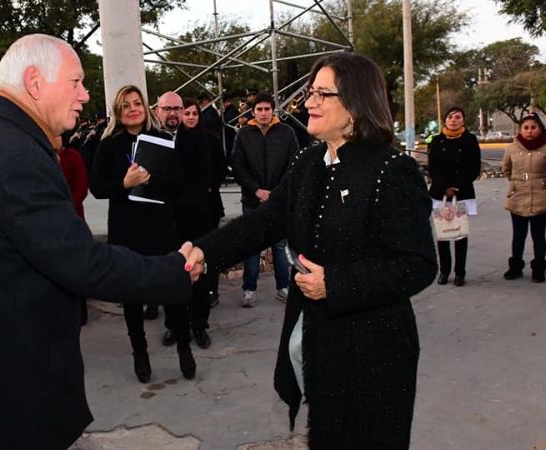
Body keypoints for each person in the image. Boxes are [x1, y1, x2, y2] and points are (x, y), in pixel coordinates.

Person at [0, 35, 195, 450]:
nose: (85, 94)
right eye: (76, 81)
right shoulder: (12, 155)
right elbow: (82, 263)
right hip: (8, 394)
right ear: (35, 81)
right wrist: (176, 268)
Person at [183, 52, 437, 449]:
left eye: (322, 93)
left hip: (375, 353)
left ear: (354, 103)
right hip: (320, 342)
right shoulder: (308, 162)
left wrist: (336, 283)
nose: (308, 103)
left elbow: (418, 265)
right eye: (309, 92)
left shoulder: (393, 170)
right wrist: (205, 252)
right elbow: (266, 222)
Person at [90, 85, 196, 384]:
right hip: (127, 228)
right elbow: (97, 188)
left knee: (173, 287)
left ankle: (184, 347)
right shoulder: (109, 144)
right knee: (132, 294)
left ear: (146, 107)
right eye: (126, 105)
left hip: (160, 225)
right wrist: (124, 182)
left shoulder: (162, 139)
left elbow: (178, 186)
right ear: (118, 112)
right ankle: (140, 354)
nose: (133, 109)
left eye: (137, 103)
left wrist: (150, 180)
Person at [155, 92, 214, 349]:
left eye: (177, 108)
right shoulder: (150, 140)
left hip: (193, 219)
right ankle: (174, 326)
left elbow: (205, 178)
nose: (173, 113)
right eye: (167, 108)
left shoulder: (198, 141)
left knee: (197, 276)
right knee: (170, 274)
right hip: (163, 221)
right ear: (157, 110)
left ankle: (199, 325)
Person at [230, 92, 299, 307]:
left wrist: (276, 193)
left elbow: (293, 164)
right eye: (259, 109)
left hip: (278, 201)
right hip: (252, 200)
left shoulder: (287, 133)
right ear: (253, 112)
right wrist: (256, 190)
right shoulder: (243, 134)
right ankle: (249, 290)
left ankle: (283, 288)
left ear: (273, 111)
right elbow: (237, 165)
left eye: (267, 109)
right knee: (252, 245)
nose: (263, 113)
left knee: (279, 245)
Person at [427, 106, 482, 287]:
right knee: (443, 234)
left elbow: (474, 167)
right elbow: (432, 167)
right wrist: (444, 187)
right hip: (440, 193)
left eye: (458, 117)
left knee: (460, 234)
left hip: (462, 191)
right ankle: (444, 271)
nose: (454, 120)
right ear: (445, 120)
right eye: (450, 117)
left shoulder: (470, 140)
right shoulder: (436, 140)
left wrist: (457, 186)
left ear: (463, 120)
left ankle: (460, 273)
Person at [182, 97, 227, 310]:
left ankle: (211, 290)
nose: (190, 117)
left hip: (208, 204)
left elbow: (221, 166)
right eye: (187, 113)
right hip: (184, 208)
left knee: (209, 249)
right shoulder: (175, 140)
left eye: (194, 114)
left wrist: (211, 185)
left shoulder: (210, 139)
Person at [501, 113, 546, 282]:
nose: (529, 131)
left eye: (533, 127)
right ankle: (515, 267)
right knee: (518, 235)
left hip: (542, 197)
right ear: (520, 130)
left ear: (539, 129)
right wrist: (519, 183)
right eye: (526, 128)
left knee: (538, 236)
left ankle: (539, 269)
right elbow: (506, 169)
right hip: (517, 197)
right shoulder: (512, 148)